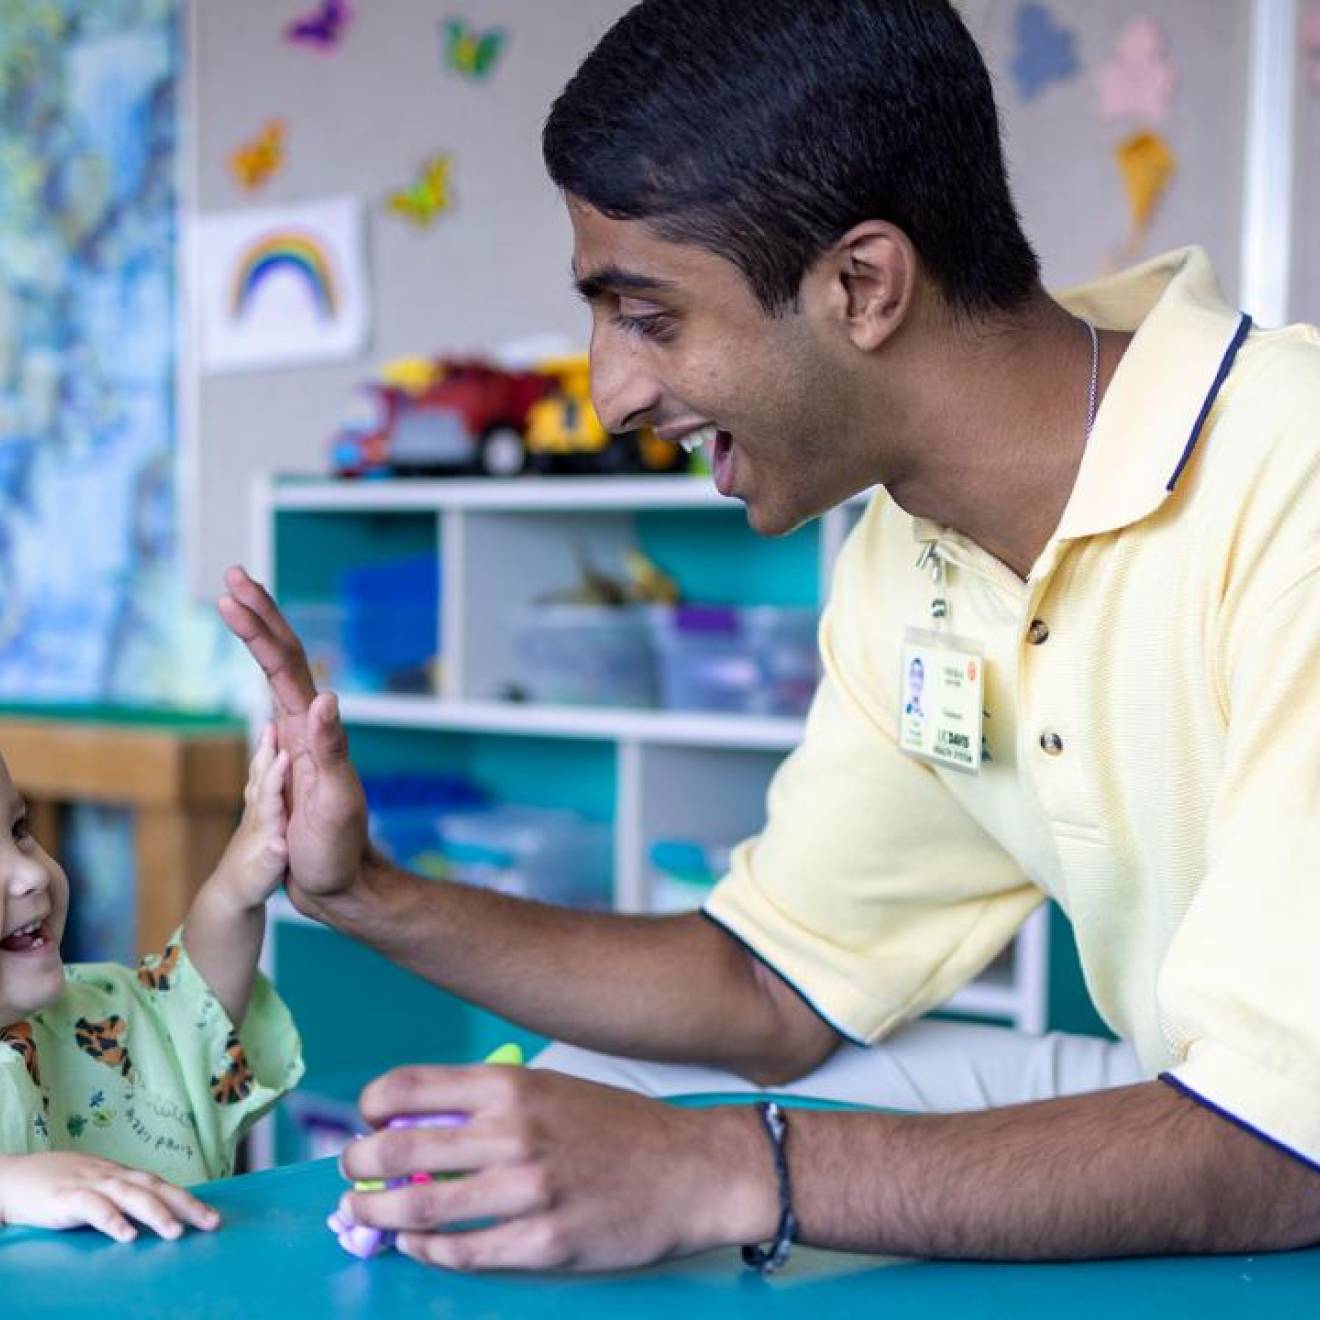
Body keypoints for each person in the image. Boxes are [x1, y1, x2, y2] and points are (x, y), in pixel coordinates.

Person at [219, 0, 1320, 1273]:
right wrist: (366, 894)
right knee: (614, 1085)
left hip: (1282, 1140)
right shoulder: (910, 556)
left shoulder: (1289, 476)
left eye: (648, 316)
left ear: (862, 286)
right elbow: (769, 990)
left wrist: (730, 1170)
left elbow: (1291, 1129)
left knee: (709, 1151)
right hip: (1224, 1103)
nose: (611, 392)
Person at [0, 726, 303, 1242]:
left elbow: (193, 1007)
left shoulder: (93, 1016)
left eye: (19, 829)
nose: (29, 872)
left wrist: (241, 880)